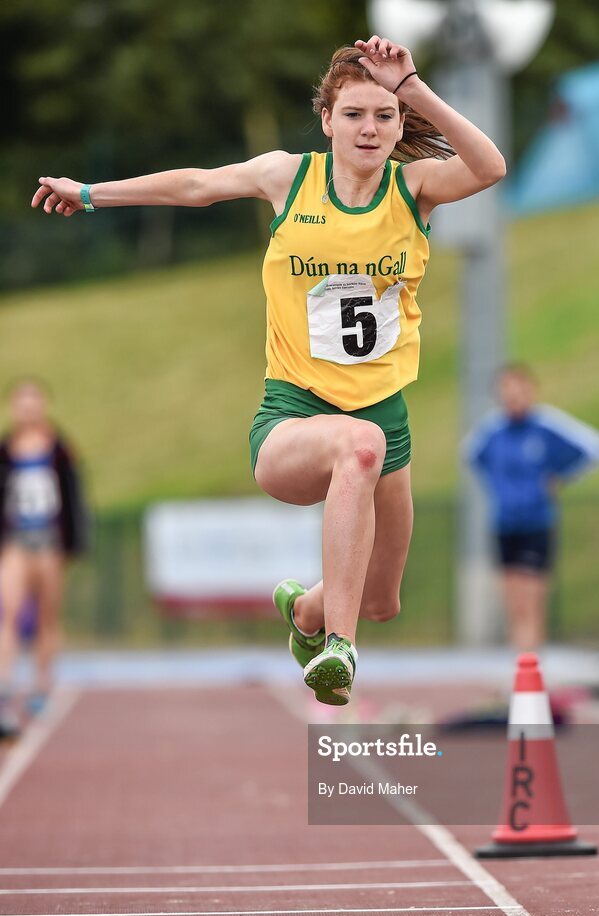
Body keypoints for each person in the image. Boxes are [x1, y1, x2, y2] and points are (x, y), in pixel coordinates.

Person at [31, 36, 506, 706]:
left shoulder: (414, 188)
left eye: (383, 116)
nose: (368, 129)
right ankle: (337, 649)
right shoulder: (288, 177)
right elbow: (195, 185)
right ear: (326, 121)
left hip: (384, 419)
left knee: (381, 599)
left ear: (400, 123)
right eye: (353, 115)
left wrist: (413, 87)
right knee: (355, 446)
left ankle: (309, 613)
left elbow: (488, 166)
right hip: (294, 416)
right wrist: (88, 192)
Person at [464, 363, 599, 652]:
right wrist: (499, 487)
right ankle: (521, 669)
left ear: (530, 391)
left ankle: (532, 668)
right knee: (513, 605)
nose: (512, 397)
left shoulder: (545, 426)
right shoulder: (493, 430)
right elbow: (471, 455)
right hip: (505, 524)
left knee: (531, 603)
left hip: (536, 523)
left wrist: (561, 477)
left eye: (518, 390)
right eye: (506, 391)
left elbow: (595, 447)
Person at [0, 378, 89, 737]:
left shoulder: (60, 448)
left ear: (43, 405)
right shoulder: (6, 449)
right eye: (21, 402)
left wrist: (73, 543)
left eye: (33, 401)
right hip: (17, 543)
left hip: (50, 542)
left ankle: (40, 685)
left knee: (47, 617)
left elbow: (73, 496)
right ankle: (5, 686)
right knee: (9, 612)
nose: (27, 408)